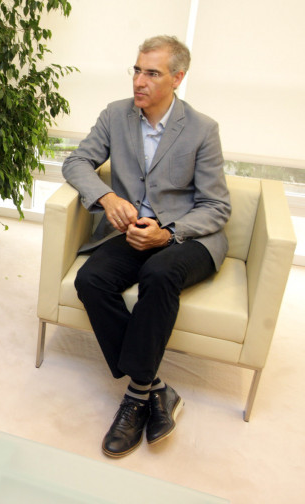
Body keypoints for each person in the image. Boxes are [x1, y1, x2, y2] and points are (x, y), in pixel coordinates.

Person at [62, 36, 231, 458]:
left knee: (159, 273)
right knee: (91, 279)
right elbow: (76, 162)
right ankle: (156, 387)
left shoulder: (202, 129)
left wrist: (169, 234)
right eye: (137, 70)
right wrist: (107, 197)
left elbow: (217, 207)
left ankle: (136, 396)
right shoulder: (115, 115)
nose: (139, 81)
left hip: (189, 237)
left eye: (152, 73)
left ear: (177, 78)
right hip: (133, 232)